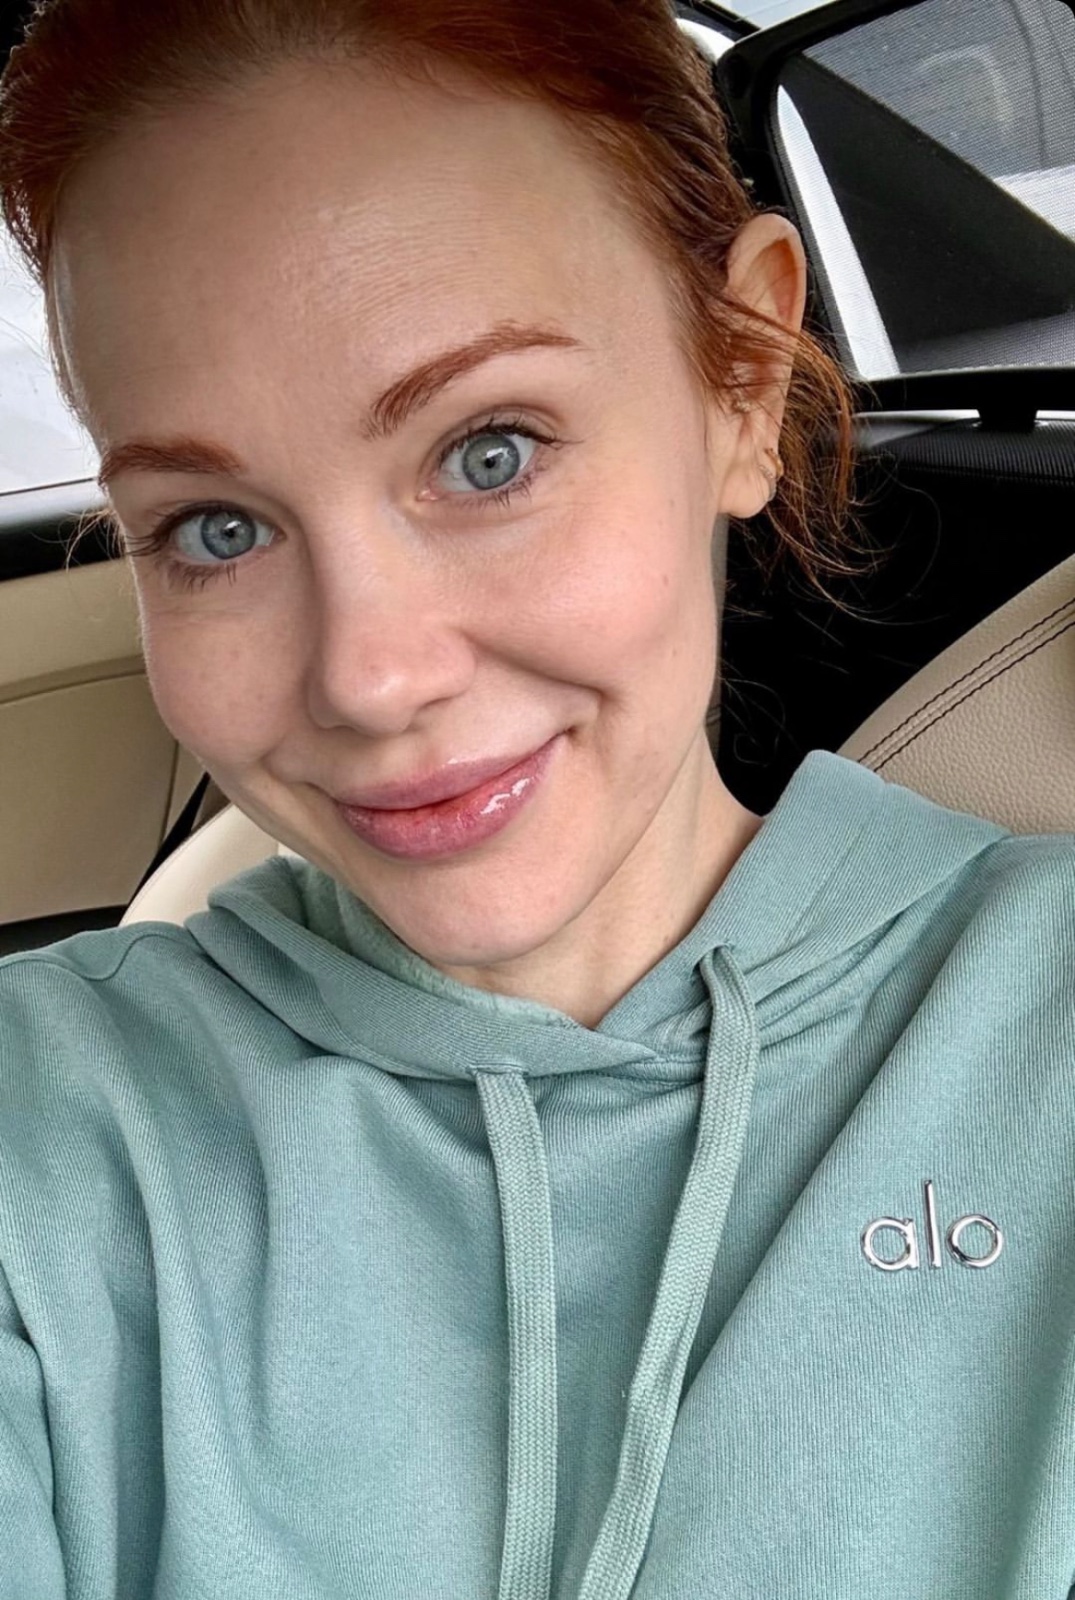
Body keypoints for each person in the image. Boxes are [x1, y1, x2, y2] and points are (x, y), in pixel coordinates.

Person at [1, 1, 1074, 1596]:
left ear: (741, 381)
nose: (369, 678)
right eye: (215, 528)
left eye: (489, 453)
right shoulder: (44, 1117)